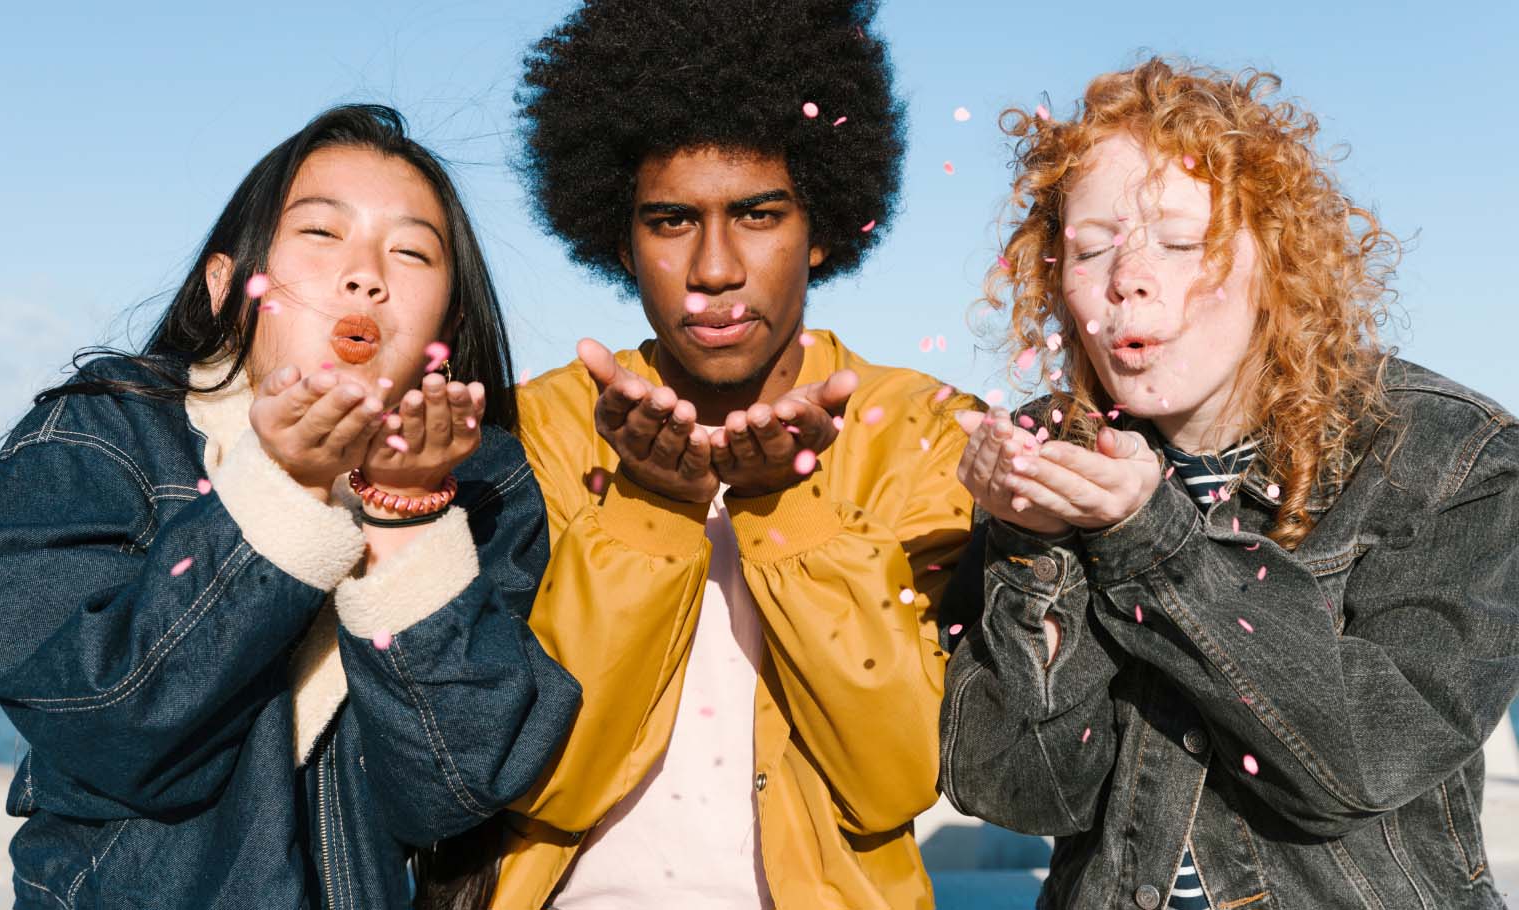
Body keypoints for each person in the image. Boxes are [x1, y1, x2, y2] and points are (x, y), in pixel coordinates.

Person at [0, 104, 579, 909]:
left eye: (412, 251)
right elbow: (107, 724)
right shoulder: (105, 434)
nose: (366, 275)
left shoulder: (479, 487)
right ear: (224, 287)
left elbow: (455, 788)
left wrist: (407, 516)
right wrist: (282, 489)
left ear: (445, 326)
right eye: (321, 235)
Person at [939, 58, 1519, 909]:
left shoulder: (1452, 456)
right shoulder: (1051, 451)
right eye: (1092, 247)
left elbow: (1357, 760)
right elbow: (1020, 792)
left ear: (1276, 263)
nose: (1127, 276)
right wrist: (1034, 547)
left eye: (1180, 243)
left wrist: (1143, 534)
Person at [493, 1, 977, 907]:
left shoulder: (920, 432)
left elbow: (897, 775)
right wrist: (648, 503)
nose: (714, 267)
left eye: (757, 214)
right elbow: (542, 775)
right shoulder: (545, 431)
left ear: (823, 227)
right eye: (671, 222)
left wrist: (783, 508)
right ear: (620, 241)